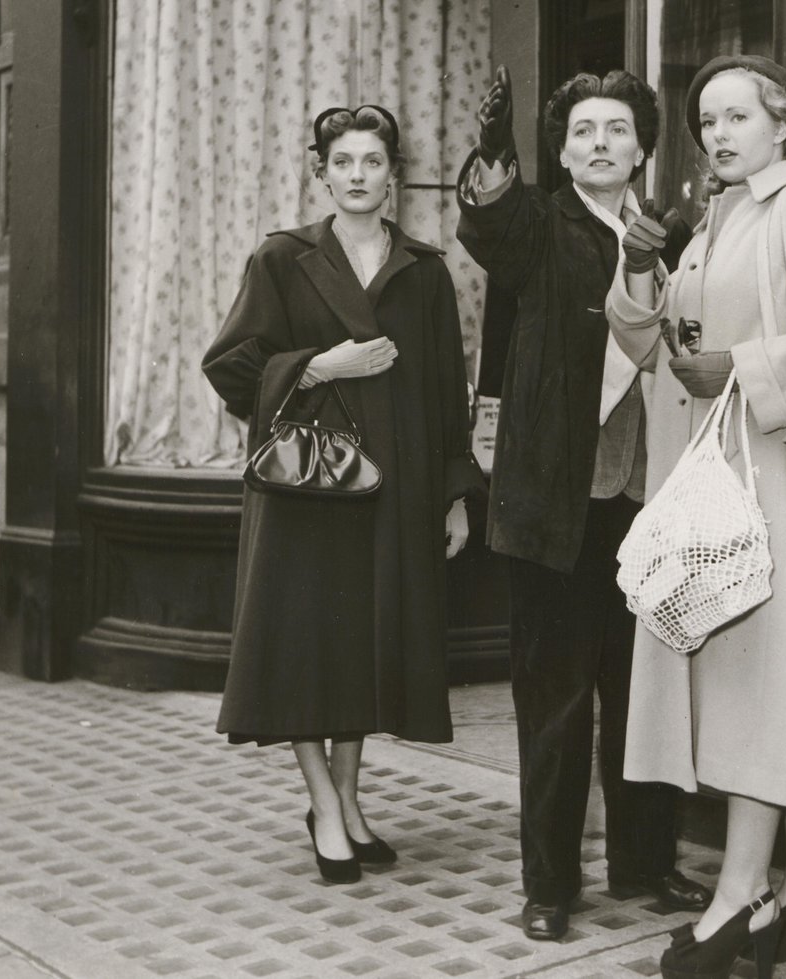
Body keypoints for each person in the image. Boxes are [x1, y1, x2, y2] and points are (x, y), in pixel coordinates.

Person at [606, 55, 786, 979]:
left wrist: (746, 369)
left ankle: (741, 896)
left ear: (780, 122)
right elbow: (655, 346)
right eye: (706, 122)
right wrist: (641, 270)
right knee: (769, 690)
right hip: (723, 485)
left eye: (735, 117)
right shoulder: (719, 217)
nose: (717, 134)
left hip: (783, 485)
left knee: (766, 692)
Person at [455, 66, 710, 941]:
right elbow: (490, 218)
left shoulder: (673, 236)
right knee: (557, 703)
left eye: (616, 130)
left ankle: (644, 863)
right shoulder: (539, 224)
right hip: (556, 505)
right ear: (561, 153)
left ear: (642, 146)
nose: (600, 143)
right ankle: (550, 884)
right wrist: (493, 147)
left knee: (644, 692)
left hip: (653, 502)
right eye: (582, 133)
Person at [202, 105, 483, 884]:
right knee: (303, 650)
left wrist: (456, 495)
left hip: (393, 488)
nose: (358, 175)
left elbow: (445, 392)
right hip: (304, 486)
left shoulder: (425, 269)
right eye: (344, 162)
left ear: (393, 175)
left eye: (372, 162)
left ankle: (352, 800)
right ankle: (324, 802)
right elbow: (229, 363)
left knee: (363, 647)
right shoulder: (283, 258)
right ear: (319, 171)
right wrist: (322, 366)